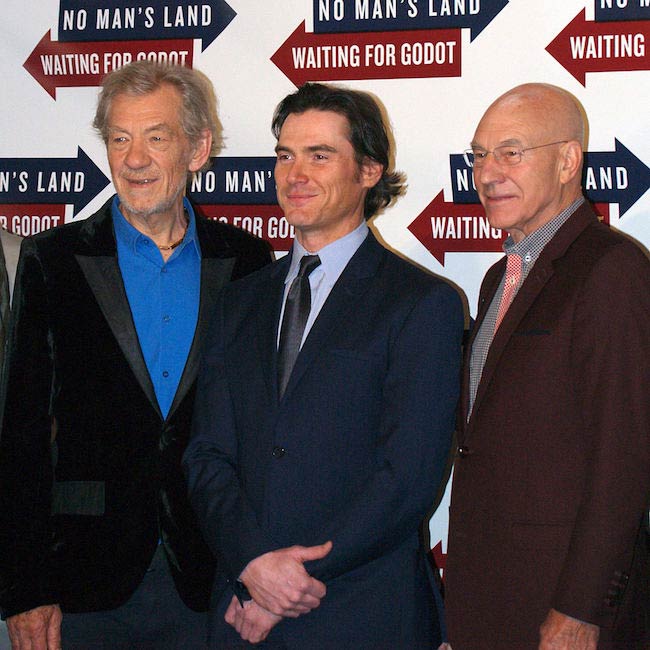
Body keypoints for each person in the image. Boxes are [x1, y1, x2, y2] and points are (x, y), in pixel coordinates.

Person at [0, 61, 271, 650]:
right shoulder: (53, 261)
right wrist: (23, 588)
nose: (134, 158)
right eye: (119, 139)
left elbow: (262, 430)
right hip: (80, 584)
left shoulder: (248, 262)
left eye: (156, 137)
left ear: (198, 149)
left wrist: (257, 566)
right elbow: (18, 435)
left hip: (211, 578)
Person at [183, 82, 464, 648]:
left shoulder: (422, 302)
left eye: (320, 155)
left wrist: (290, 583)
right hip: (240, 614)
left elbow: (407, 480)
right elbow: (206, 453)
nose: (295, 174)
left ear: (368, 171)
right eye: (285, 155)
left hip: (360, 612)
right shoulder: (239, 301)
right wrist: (252, 567)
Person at [444, 83, 650, 649]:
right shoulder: (496, 279)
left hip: (560, 609)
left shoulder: (613, 270)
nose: (487, 173)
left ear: (567, 161)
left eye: (511, 152)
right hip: (489, 601)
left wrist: (580, 610)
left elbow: (624, 458)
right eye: (479, 155)